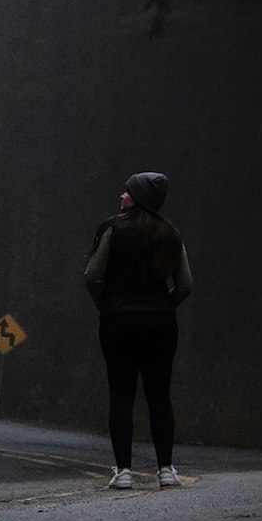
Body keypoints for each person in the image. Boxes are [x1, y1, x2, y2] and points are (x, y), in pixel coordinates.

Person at [83, 171, 193, 490]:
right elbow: (186, 284)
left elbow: (91, 276)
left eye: (127, 192)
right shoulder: (171, 233)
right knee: (159, 395)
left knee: (121, 395)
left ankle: (124, 472)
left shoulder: (112, 230)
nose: (121, 196)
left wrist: (107, 305)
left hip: (119, 323)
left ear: (139, 199)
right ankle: (166, 470)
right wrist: (164, 305)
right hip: (160, 324)